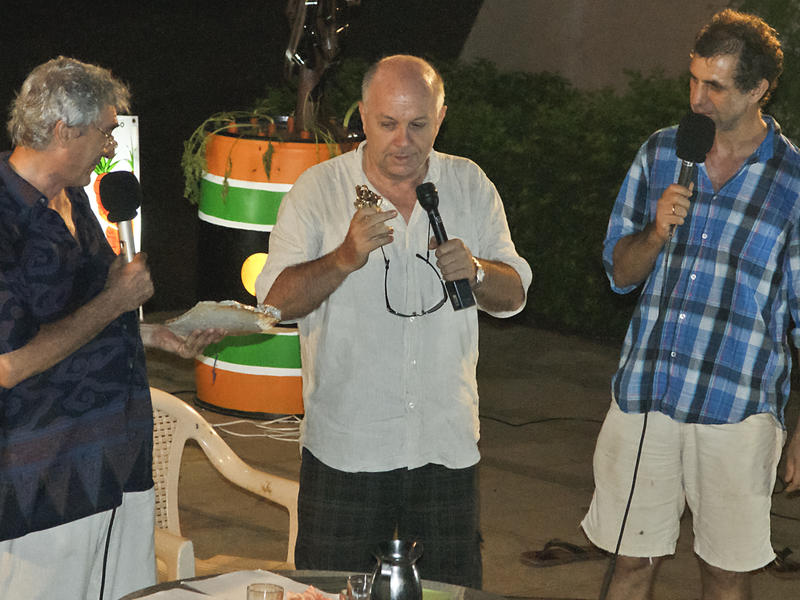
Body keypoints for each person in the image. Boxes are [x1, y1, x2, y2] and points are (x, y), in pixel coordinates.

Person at [255, 54, 531, 588]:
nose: (403, 140)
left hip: (444, 447)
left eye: (418, 125)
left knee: (450, 594)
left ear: (441, 117)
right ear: (362, 114)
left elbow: (514, 293)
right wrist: (341, 257)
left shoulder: (469, 184)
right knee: (331, 592)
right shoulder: (319, 190)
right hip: (347, 448)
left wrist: (475, 271)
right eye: (387, 124)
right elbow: (274, 303)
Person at [582, 10, 800, 600]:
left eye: (716, 86)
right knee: (629, 563)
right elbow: (619, 274)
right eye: (693, 79)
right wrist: (654, 234)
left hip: (738, 408)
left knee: (726, 575)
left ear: (758, 89)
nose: (696, 98)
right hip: (645, 397)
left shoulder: (793, 182)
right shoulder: (660, 153)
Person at [0, 56, 224, 599]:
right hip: (45, 481)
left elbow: (80, 309)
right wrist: (116, 302)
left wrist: (149, 334)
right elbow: (9, 364)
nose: (109, 147)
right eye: (104, 132)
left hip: (119, 461)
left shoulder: (74, 195)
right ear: (62, 130)